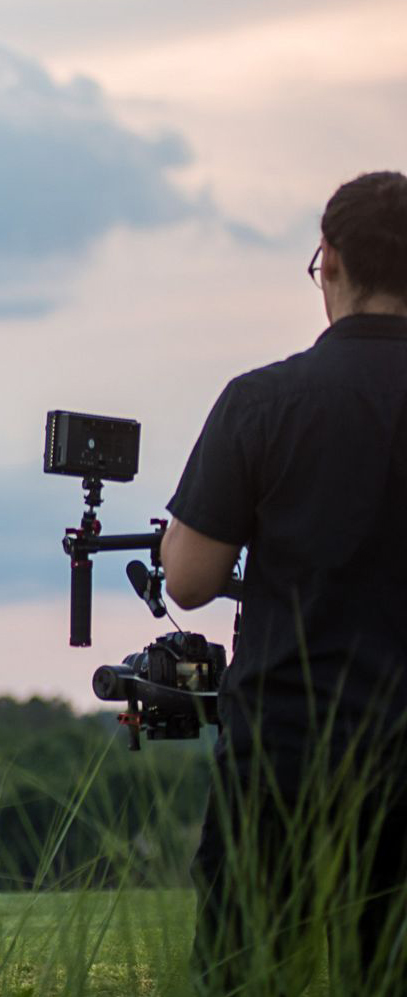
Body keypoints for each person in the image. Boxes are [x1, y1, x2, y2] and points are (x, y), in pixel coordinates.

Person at [162, 170, 407, 990]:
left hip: (283, 759)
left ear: (328, 260)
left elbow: (190, 578)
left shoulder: (261, 401)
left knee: (248, 971)